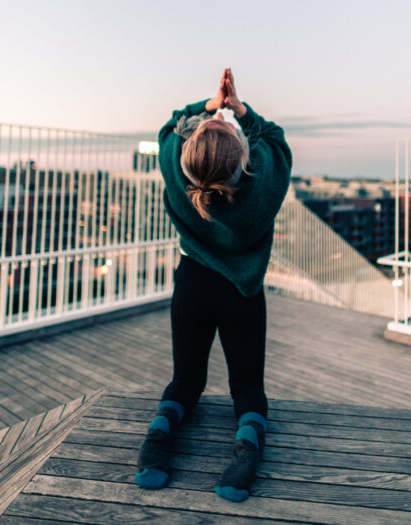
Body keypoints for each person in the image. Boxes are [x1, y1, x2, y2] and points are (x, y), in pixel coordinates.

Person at [135, 68, 292, 502]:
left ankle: (159, 435)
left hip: (192, 286)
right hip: (242, 292)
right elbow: (276, 139)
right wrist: (238, 108)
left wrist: (205, 108)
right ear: (244, 158)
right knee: (247, 388)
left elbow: (170, 125)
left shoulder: (176, 168)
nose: (219, 116)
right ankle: (245, 451)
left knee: (185, 381)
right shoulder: (262, 184)